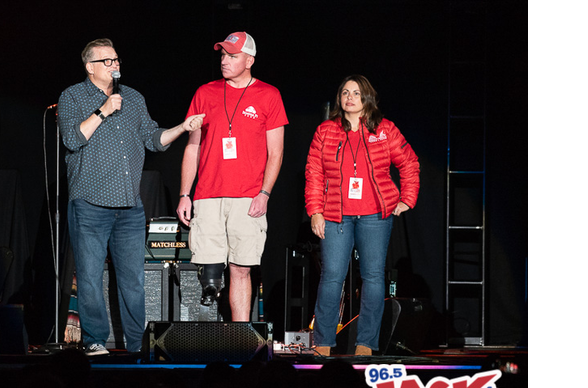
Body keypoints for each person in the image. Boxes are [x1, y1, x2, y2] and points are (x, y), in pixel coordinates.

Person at [58, 38, 205, 355]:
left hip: (129, 208)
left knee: (133, 282)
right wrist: (103, 110)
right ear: (90, 67)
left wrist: (182, 127)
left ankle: (138, 345)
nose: (115, 65)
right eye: (107, 61)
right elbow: (72, 138)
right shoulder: (72, 96)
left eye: (116, 60)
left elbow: (154, 139)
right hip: (89, 205)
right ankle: (95, 341)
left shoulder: (133, 98)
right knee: (90, 279)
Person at [305, 74, 419, 356]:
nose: (349, 97)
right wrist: (315, 211)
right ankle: (323, 344)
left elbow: (409, 162)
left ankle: (366, 344)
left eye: (356, 93)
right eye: (345, 92)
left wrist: (407, 199)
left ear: (367, 97)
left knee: (372, 277)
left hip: (375, 216)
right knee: (332, 276)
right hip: (335, 215)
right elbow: (314, 173)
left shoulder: (385, 129)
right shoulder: (326, 131)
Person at [176, 32, 287, 321]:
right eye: (223, 55)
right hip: (208, 195)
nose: (225, 61)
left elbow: (275, 152)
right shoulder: (205, 92)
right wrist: (184, 194)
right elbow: (193, 146)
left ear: (249, 60)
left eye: (232, 56)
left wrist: (264, 193)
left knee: (241, 268)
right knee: (207, 269)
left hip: (248, 196)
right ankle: (201, 341)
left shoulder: (269, 95)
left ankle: (240, 337)